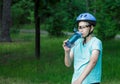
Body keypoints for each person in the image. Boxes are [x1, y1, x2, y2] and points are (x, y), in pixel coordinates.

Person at [62, 13, 103, 84]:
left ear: (91, 28)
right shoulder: (77, 42)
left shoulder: (96, 42)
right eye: (80, 27)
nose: (81, 30)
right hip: (76, 81)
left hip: (91, 82)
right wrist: (67, 52)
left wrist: (79, 80)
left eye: (84, 27)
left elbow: (93, 61)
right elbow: (68, 64)